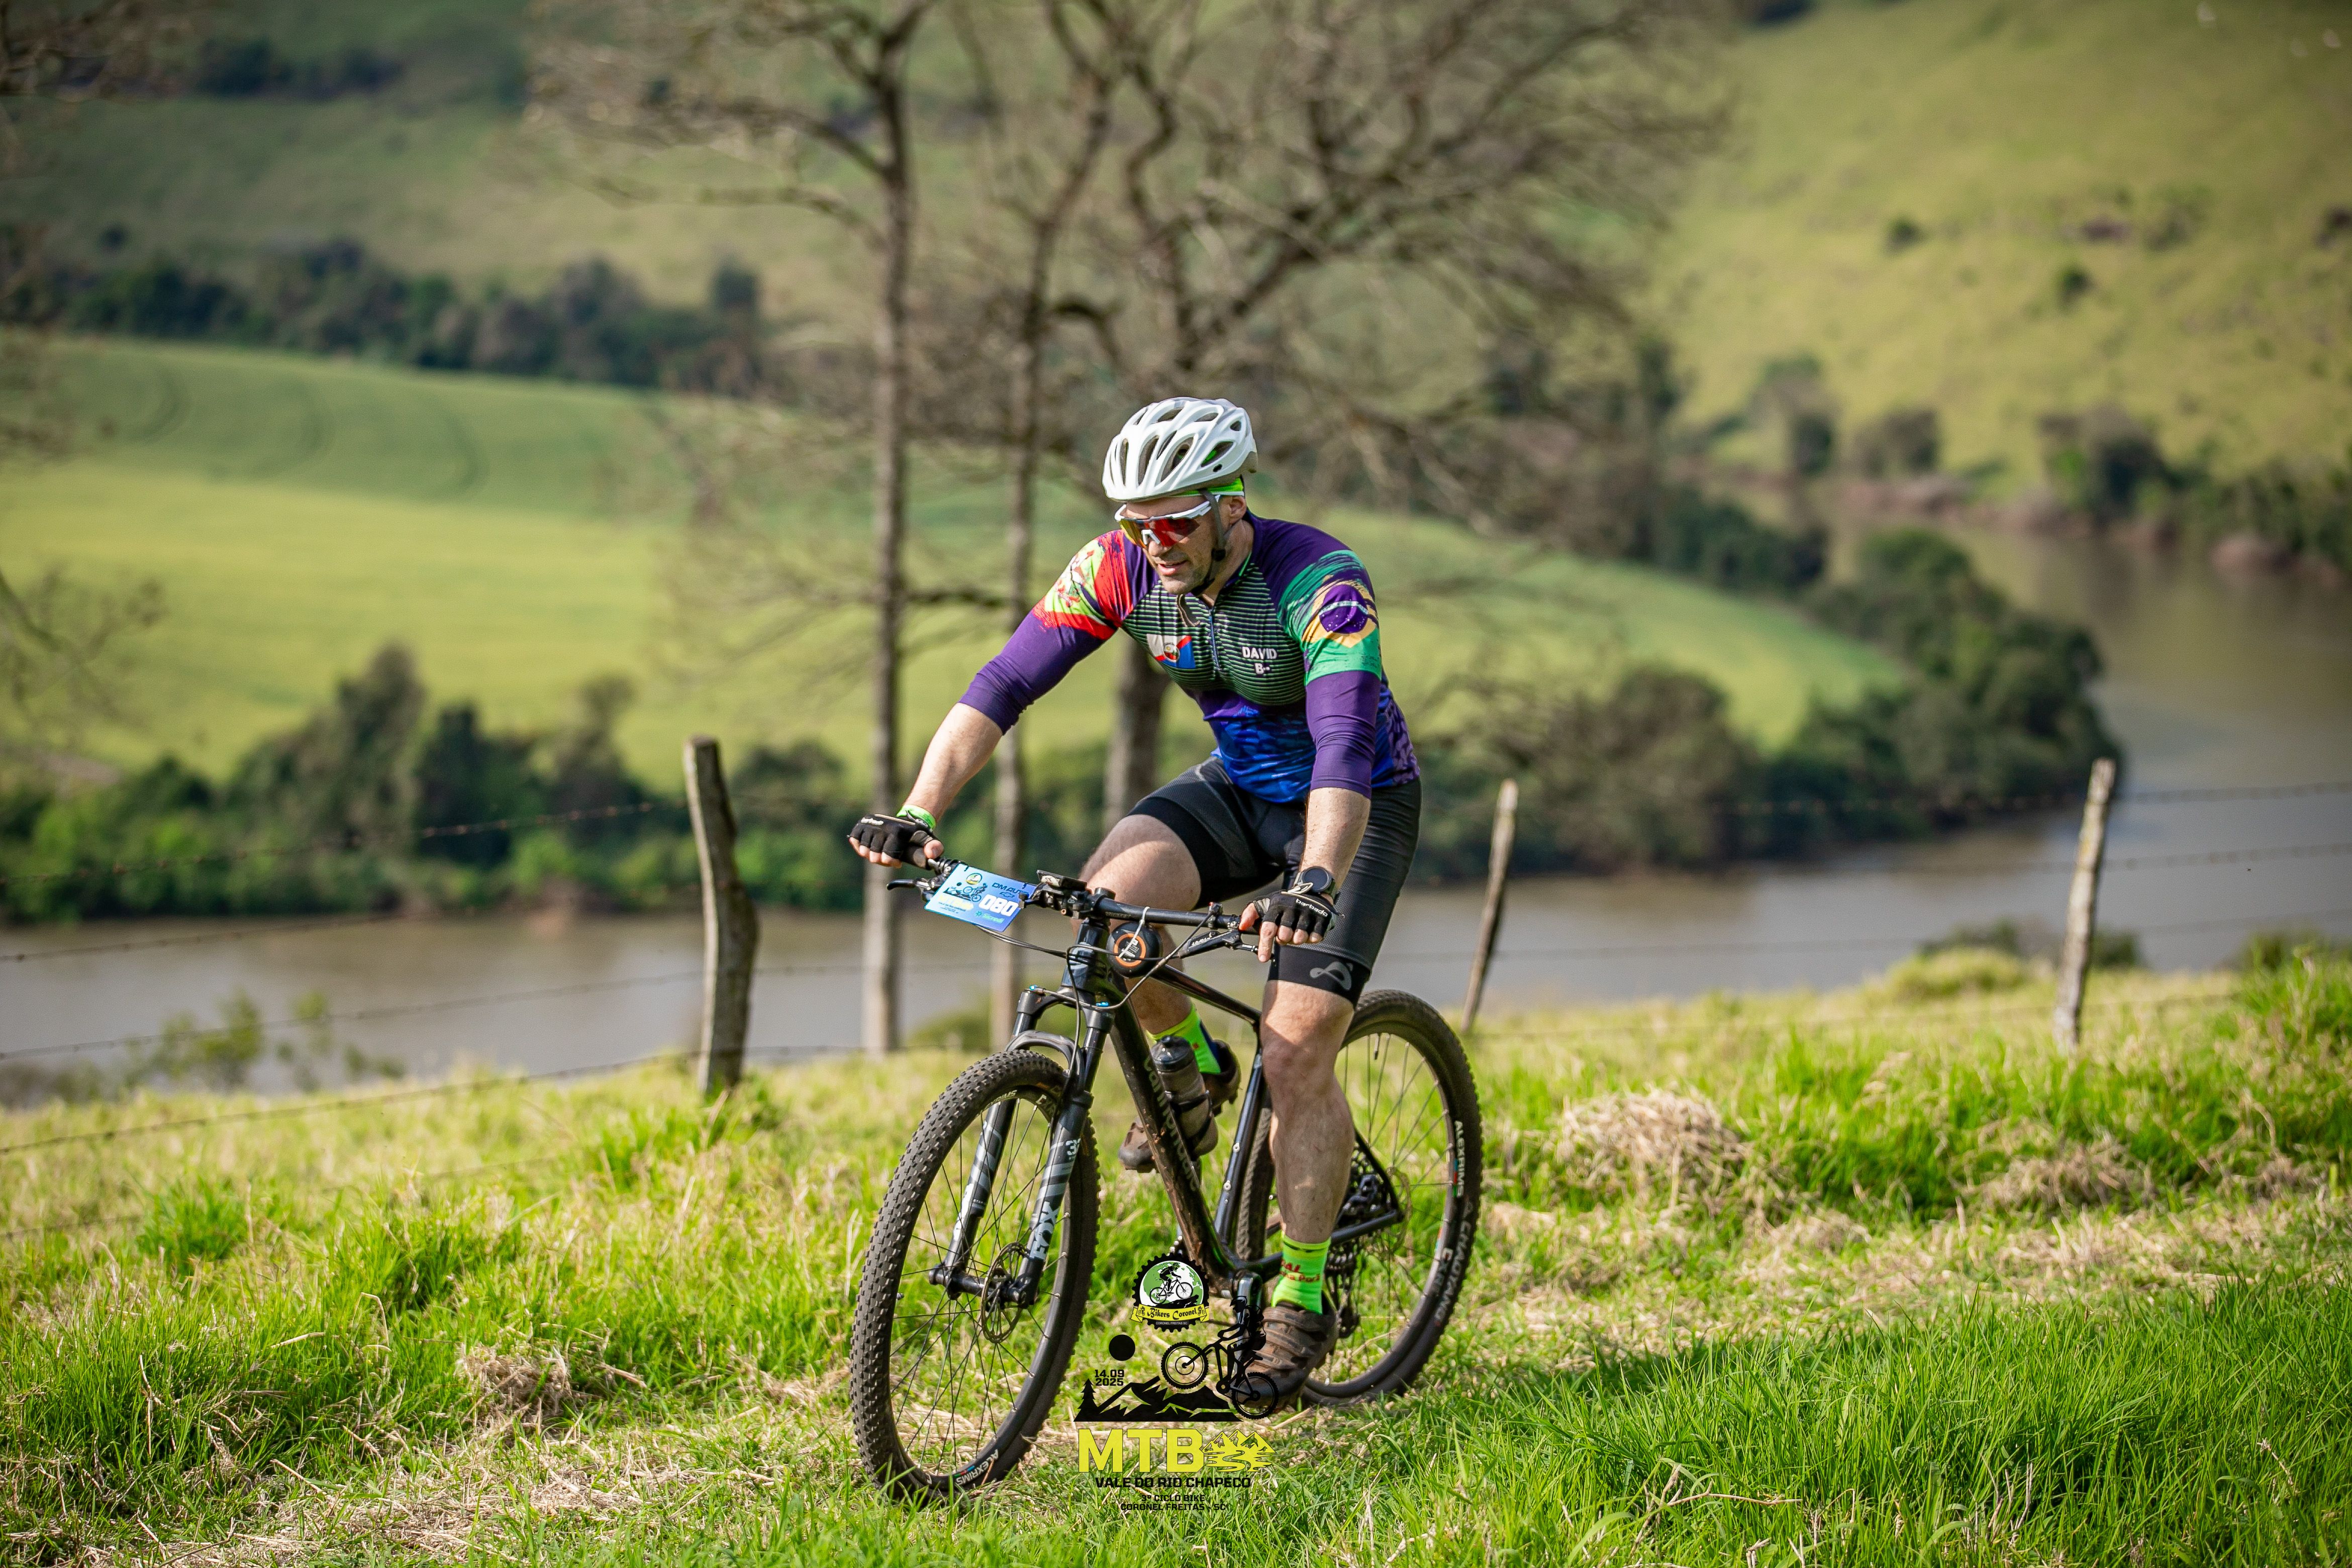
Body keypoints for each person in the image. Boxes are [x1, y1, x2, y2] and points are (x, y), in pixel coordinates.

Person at [849, 396, 1421, 1408]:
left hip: (1352, 808)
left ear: (1232, 506)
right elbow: (1002, 686)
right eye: (1137, 522)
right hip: (1239, 788)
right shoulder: (1118, 568)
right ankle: (1190, 1066)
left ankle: (1300, 1300)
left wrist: (1316, 882)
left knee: (1297, 1051)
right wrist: (918, 808)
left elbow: (1344, 744)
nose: (1156, 542)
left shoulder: (1321, 582)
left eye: (1177, 521)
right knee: (1108, 918)